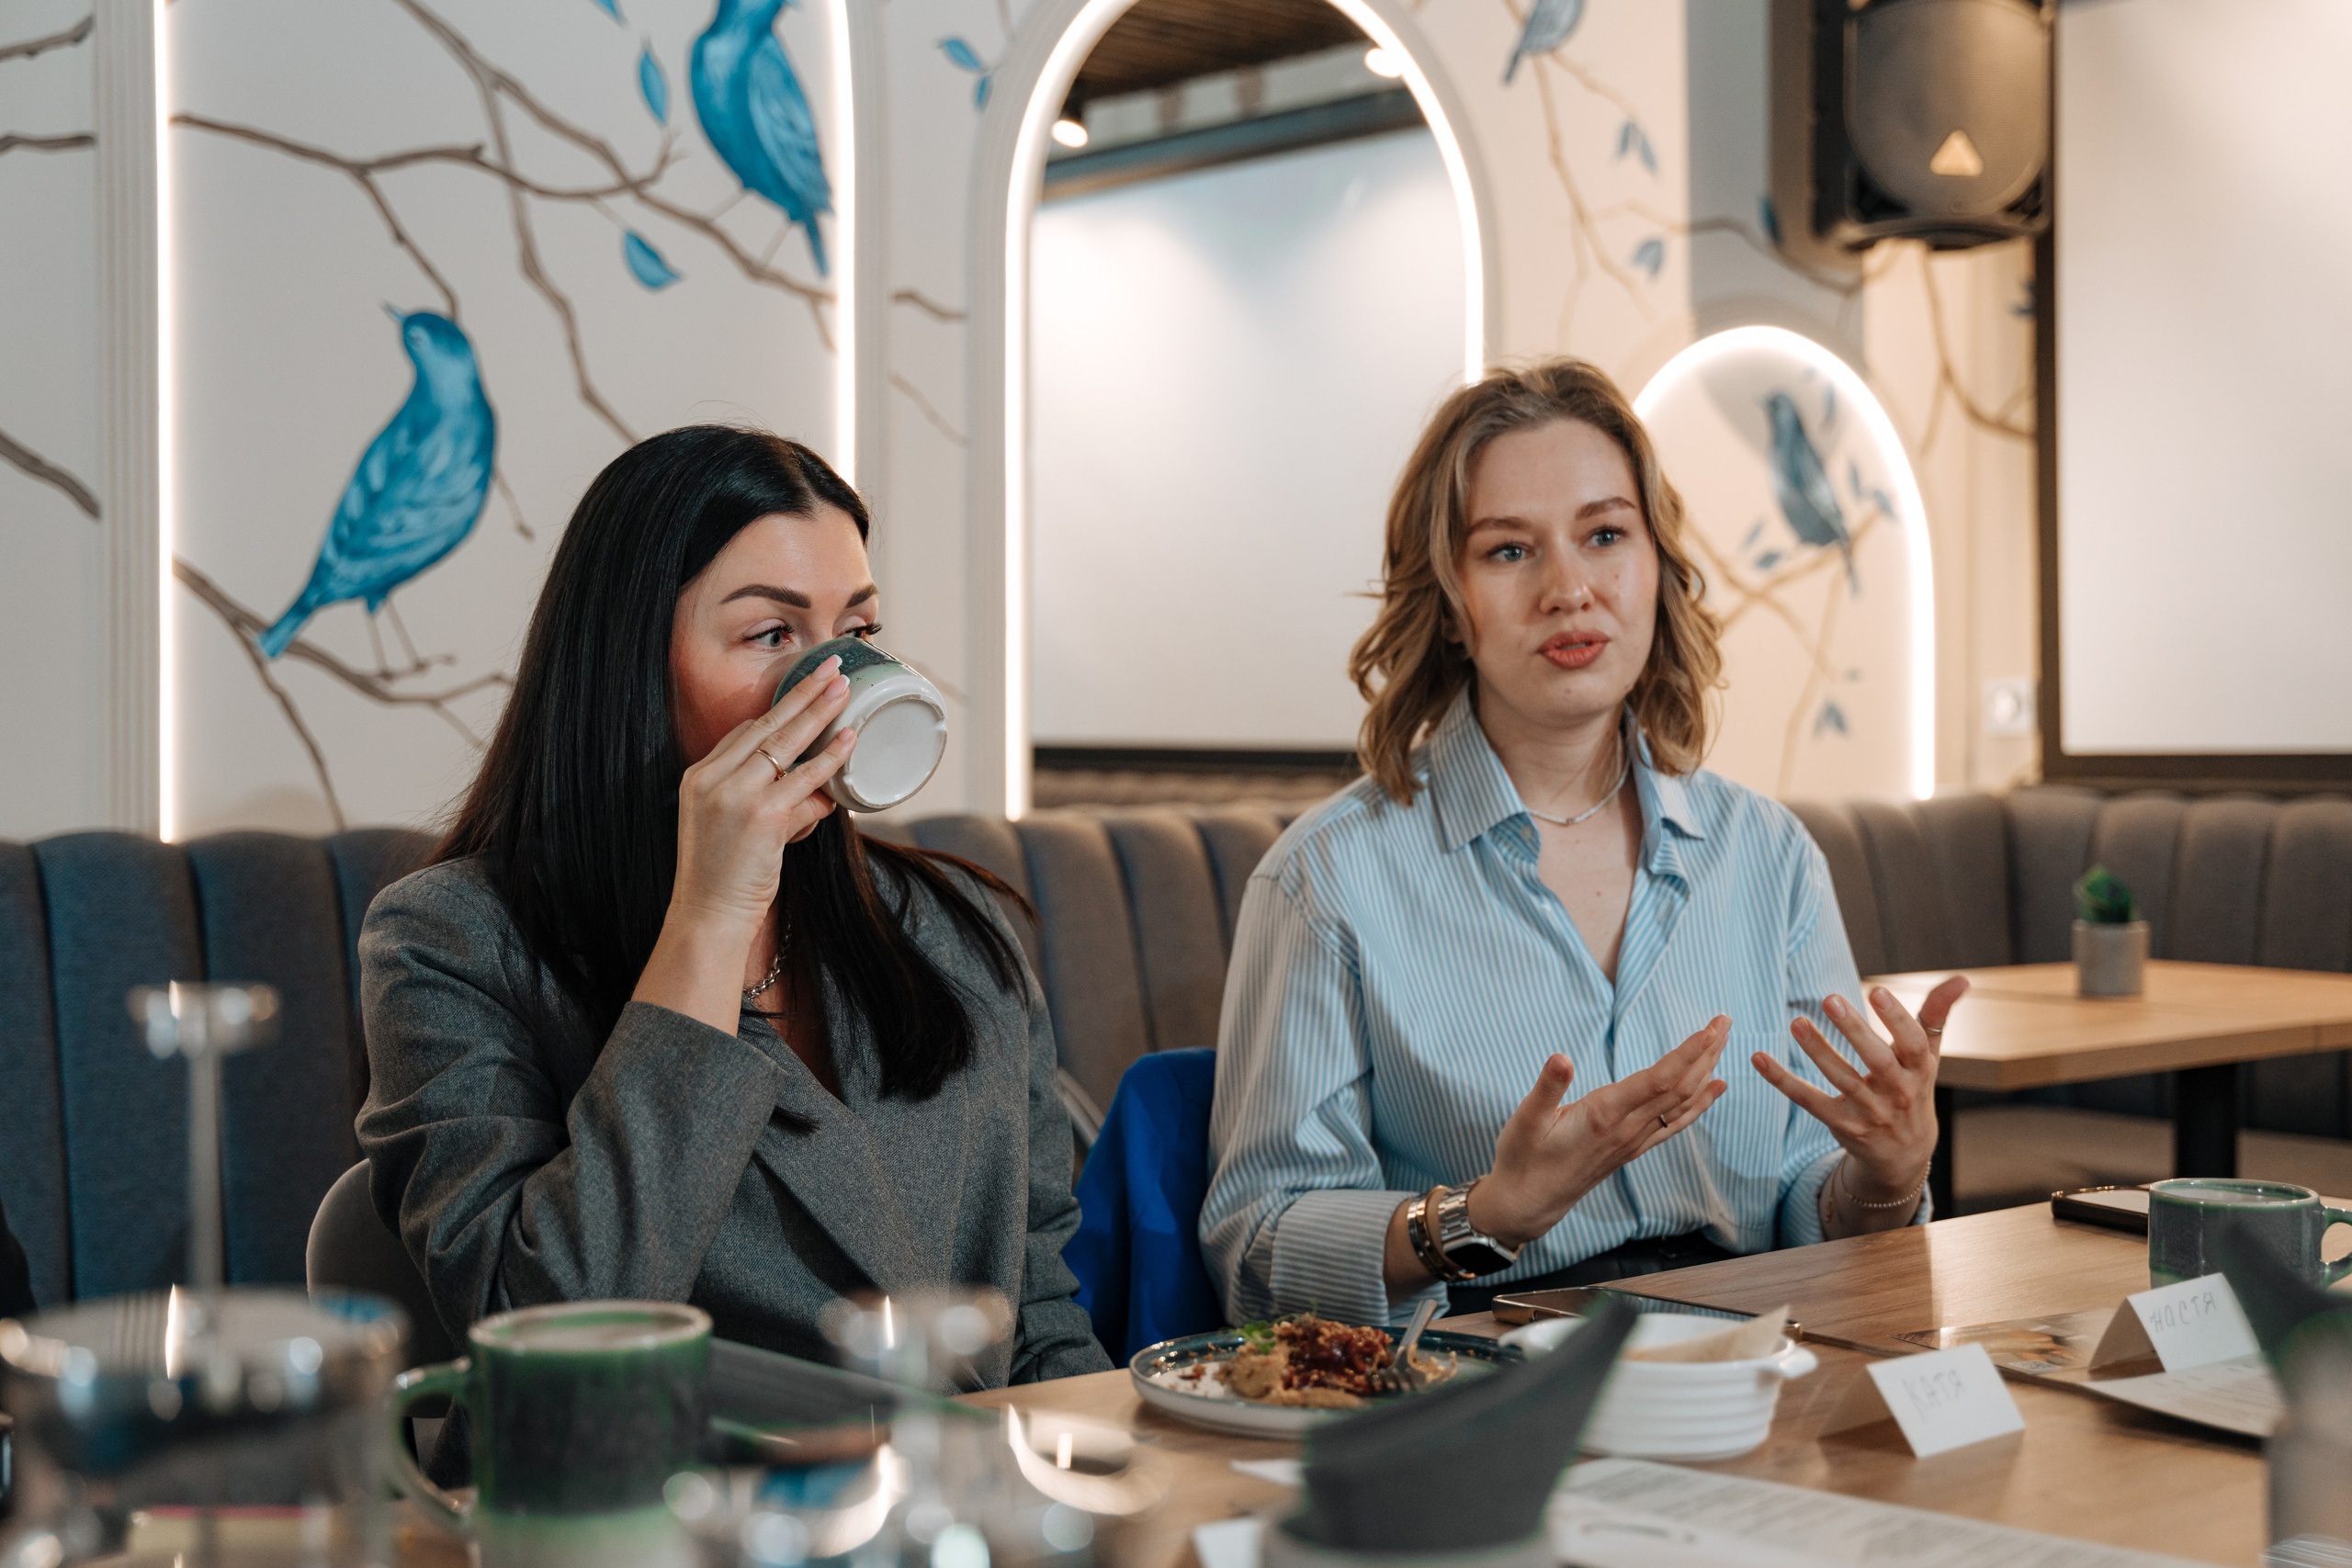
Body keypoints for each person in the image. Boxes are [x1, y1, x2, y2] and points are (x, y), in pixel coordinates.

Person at [1199, 360, 1969, 1324]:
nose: (1569, 589)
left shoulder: (1766, 855)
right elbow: (1258, 1252)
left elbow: (1820, 1209)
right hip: (1481, 1378)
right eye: (1509, 552)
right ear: (1445, 601)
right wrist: (1485, 1217)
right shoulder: (1327, 880)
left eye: (1604, 535)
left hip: (1746, 1362)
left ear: (1656, 568)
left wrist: (1887, 1174)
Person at [357, 426, 1108, 1385]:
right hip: (651, 1512)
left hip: (944, 1511)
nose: (835, 688)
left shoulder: (955, 933)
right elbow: (547, 1337)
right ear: (632, 661)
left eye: (858, 634)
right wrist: (710, 916)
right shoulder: (451, 942)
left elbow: (1039, 1309)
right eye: (771, 635)